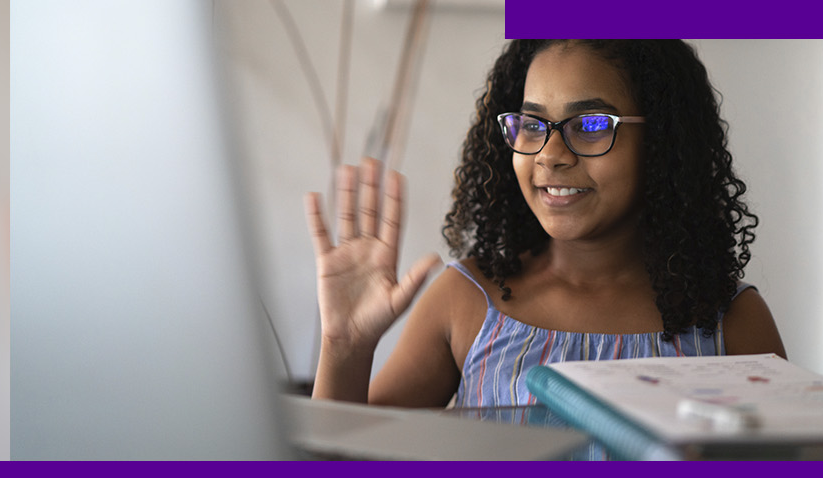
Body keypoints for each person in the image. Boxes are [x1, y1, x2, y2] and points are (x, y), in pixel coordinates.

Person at [304, 39, 786, 408]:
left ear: (664, 142)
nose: (551, 155)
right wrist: (344, 346)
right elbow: (337, 472)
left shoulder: (732, 322)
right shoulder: (466, 300)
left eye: (592, 124)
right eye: (531, 124)